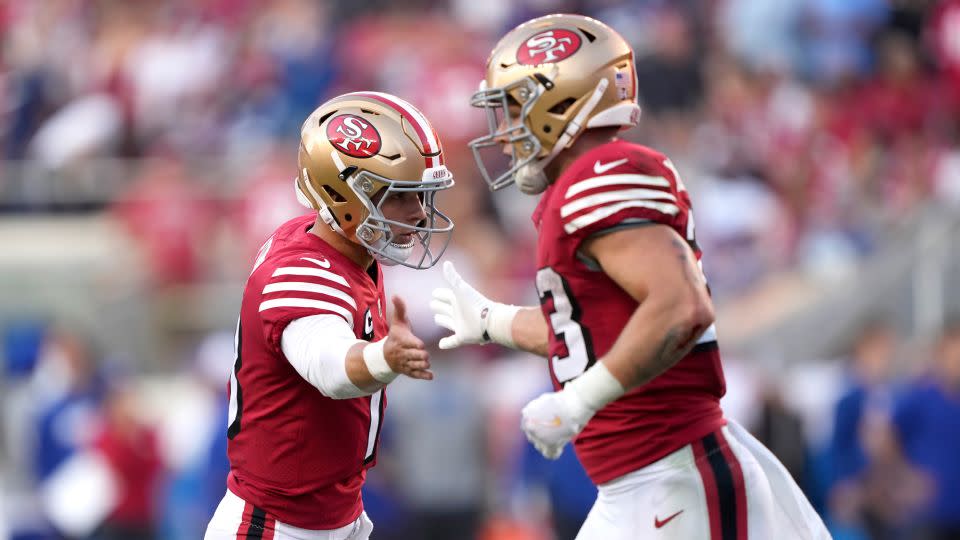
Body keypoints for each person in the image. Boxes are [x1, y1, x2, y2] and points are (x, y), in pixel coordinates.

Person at [431, 14, 830, 539]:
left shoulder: (603, 174)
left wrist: (578, 400)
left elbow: (680, 305)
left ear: (562, 104)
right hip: (642, 481)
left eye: (512, 110)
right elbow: (593, 332)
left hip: (673, 472)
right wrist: (493, 320)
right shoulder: (577, 188)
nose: (503, 135)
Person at [205, 91, 454, 539]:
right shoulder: (300, 271)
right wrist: (385, 359)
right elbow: (332, 370)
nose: (419, 215)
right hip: (278, 527)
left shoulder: (343, 247)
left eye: (421, 195)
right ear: (343, 194)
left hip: (334, 517)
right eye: (401, 197)